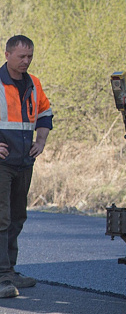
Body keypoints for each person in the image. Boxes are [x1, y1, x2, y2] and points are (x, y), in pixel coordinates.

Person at [0, 35, 52, 297]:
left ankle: (9, 271)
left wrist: (41, 140)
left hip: (24, 162)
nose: (26, 61)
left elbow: (45, 113)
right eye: (21, 56)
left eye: (30, 56)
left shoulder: (34, 83)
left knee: (17, 217)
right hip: (2, 163)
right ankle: (1, 276)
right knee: (1, 218)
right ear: (7, 54)